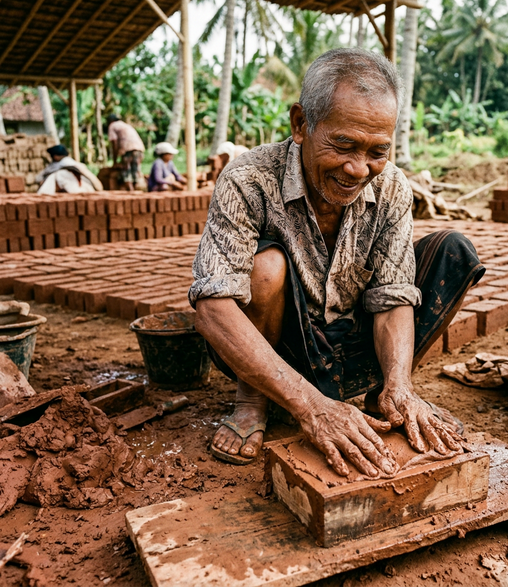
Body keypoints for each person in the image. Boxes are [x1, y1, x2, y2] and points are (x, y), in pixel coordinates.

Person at [191, 49, 485, 476]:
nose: (357, 168)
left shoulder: (392, 187)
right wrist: (312, 408)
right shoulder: (247, 180)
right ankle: (253, 398)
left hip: (350, 339)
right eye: (343, 145)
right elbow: (213, 310)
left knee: (453, 251)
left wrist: (400, 383)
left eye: (376, 151)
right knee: (266, 268)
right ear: (300, 125)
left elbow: (392, 294)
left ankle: (387, 393)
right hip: (285, 347)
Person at [36, 144, 103, 194]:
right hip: (89, 190)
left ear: (55, 157)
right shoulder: (77, 164)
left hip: (77, 192)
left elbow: (38, 178)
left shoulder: (60, 166)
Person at [106, 114, 145, 191]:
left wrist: (114, 162)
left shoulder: (112, 126)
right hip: (139, 149)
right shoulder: (125, 125)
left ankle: (131, 192)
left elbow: (114, 143)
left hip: (128, 149)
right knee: (135, 172)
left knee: (126, 173)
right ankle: (136, 192)